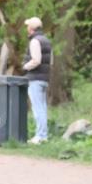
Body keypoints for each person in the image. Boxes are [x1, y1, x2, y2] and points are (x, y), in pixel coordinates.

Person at [22, 16, 52, 144]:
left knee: (37, 108)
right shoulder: (46, 40)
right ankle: (43, 135)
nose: (27, 29)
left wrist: (25, 66)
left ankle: (40, 136)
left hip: (35, 78)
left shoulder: (35, 41)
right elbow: (51, 61)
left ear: (31, 28)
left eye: (28, 27)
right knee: (42, 107)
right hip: (44, 78)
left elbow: (36, 60)